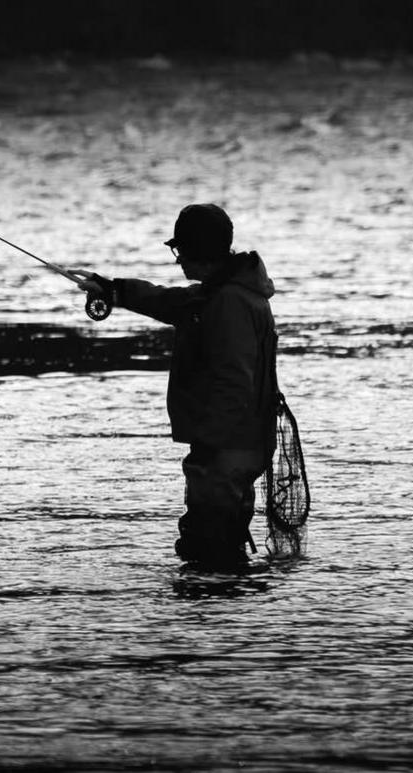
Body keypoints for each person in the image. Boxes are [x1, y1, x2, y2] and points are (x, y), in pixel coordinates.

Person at [71, 203, 280, 569]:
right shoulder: (222, 292)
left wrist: (211, 451)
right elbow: (168, 301)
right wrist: (112, 290)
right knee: (216, 551)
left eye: (180, 250)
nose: (177, 259)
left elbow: (234, 381)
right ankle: (229, 616)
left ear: (197, 251)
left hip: (227, 449)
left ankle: (210, 618)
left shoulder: (229, 302)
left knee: (210, 550)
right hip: (235, 444)